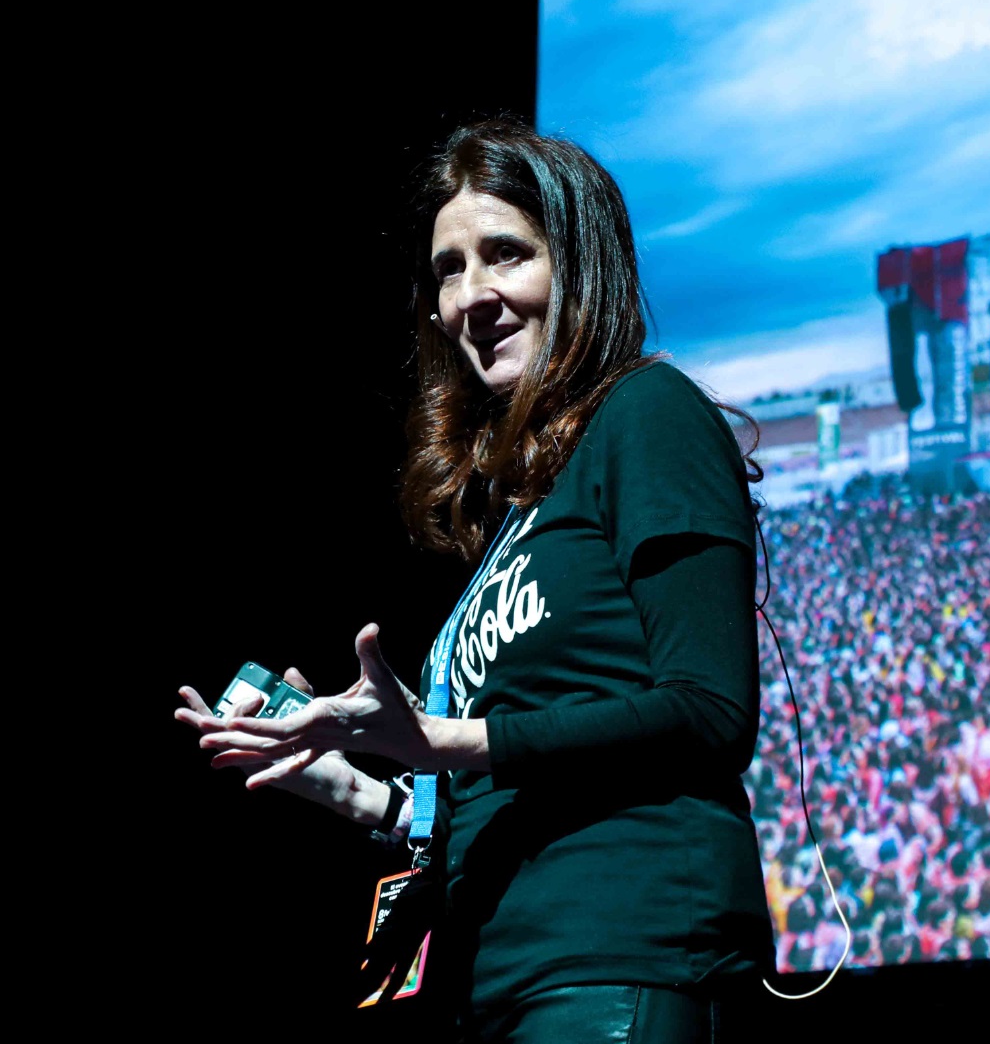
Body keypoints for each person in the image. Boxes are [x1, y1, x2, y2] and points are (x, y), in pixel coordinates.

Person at [175, 120, 766, 1042]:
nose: (471, 296)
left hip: (618, 964)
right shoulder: (519, 511)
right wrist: (347, 779)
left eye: (505, 254)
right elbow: (502, 778)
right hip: (493, 984)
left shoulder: (649, 413)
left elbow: (710, 711)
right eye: (449, 268)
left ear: (580, 263)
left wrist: (446, 736)